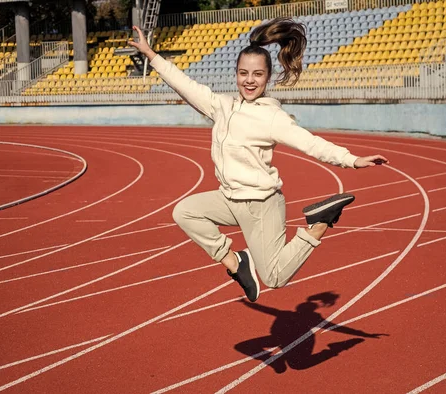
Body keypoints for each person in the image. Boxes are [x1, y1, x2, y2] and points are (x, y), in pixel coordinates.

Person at [128, 18, 388, 303]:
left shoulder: (271, 117)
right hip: (230, 199)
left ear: (267, 77)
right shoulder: (222, 106)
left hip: (260, 206)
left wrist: (351, 160)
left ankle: (320, 223)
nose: (249, 80)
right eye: (243, 73)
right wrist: (152, 55)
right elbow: (185, 85)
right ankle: (236, 263)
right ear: (236, 75)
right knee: (185, 212)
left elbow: (310, 142)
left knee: (275, 278)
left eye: (257, 74)